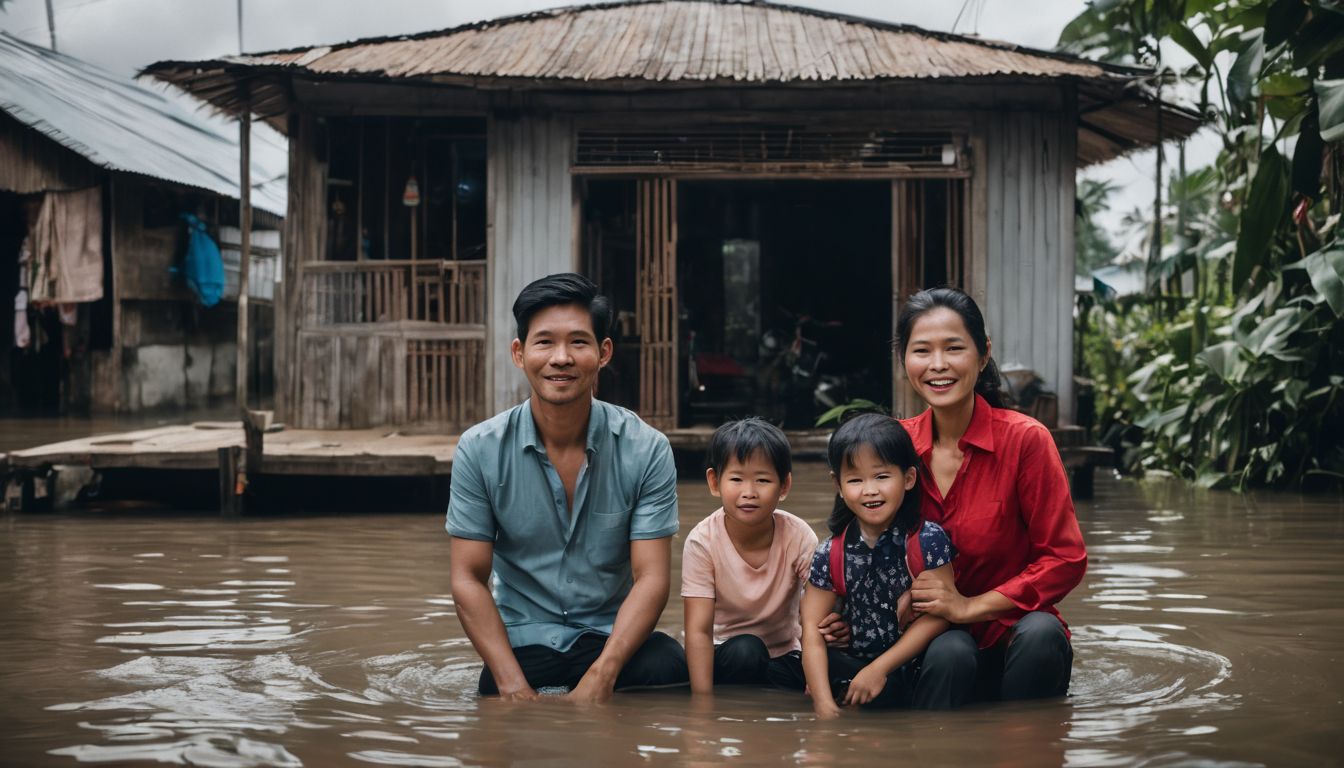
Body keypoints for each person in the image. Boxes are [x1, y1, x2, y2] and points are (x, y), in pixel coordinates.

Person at [446, 273, 687, 703]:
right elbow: (468, 577)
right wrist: (511, 685)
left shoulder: (646, 448)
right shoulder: (479, 449)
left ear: (603, 353)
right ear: (519, 354)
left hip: (610, 636)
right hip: (526, 640)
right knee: (494, 698)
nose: (561, 358)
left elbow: (651, 577)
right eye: (544, 342)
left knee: (669, 669)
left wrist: (601, 678)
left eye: (578, 342)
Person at [897, 286, 1087, 708]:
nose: (938, 365)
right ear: (905, 360)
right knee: (951, 650)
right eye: (922, 351)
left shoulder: (1025, 441)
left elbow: (1064, 559)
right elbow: (860, 545)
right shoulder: (896, 447)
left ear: (983, 355)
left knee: (1041, 633)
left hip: (1015, 643)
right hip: (931, 648)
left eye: (954, 348)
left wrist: (970, 607)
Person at [800, 413, 957, 718]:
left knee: (955, 648)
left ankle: (933, 730)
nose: (869, 490)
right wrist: (823, 707)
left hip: (914, 667)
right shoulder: (830, 553)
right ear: (839, 485)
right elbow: (811, 629)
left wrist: (879, 669)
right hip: (859, 670)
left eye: (882, 476)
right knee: (817, 657)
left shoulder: (927, 540)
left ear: (908, 478)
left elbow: (941, 616)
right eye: (855, 480)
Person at [681, 418, 817, 693]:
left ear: (784, 485)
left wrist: (815, 685)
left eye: (763, 480)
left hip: (783, 656)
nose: (749, 493)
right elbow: (698, 632)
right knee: (747, 650)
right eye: (736, 479)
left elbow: (813, 618)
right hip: (725, 654)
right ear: (714, 482)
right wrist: (701, 705)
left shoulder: (800, 536)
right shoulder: (702, 541)